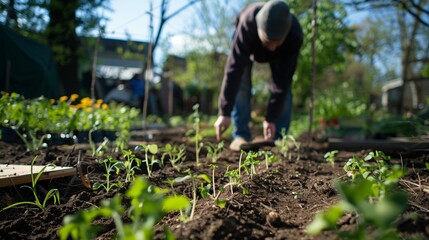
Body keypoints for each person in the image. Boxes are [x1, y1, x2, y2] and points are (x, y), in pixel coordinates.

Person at [214, 0, 303, 151]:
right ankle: (240, 135)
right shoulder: (247, 25)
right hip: (248, 44)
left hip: (283, 54)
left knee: (284, 87)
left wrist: (271, 118)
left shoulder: (294, 34)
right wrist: (224, 112)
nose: (272, 48)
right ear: (259, 29)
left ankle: (280, 136)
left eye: (277, 42)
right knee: (241, 83)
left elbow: (283, 81)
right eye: (269, 42)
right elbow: (233, 70)